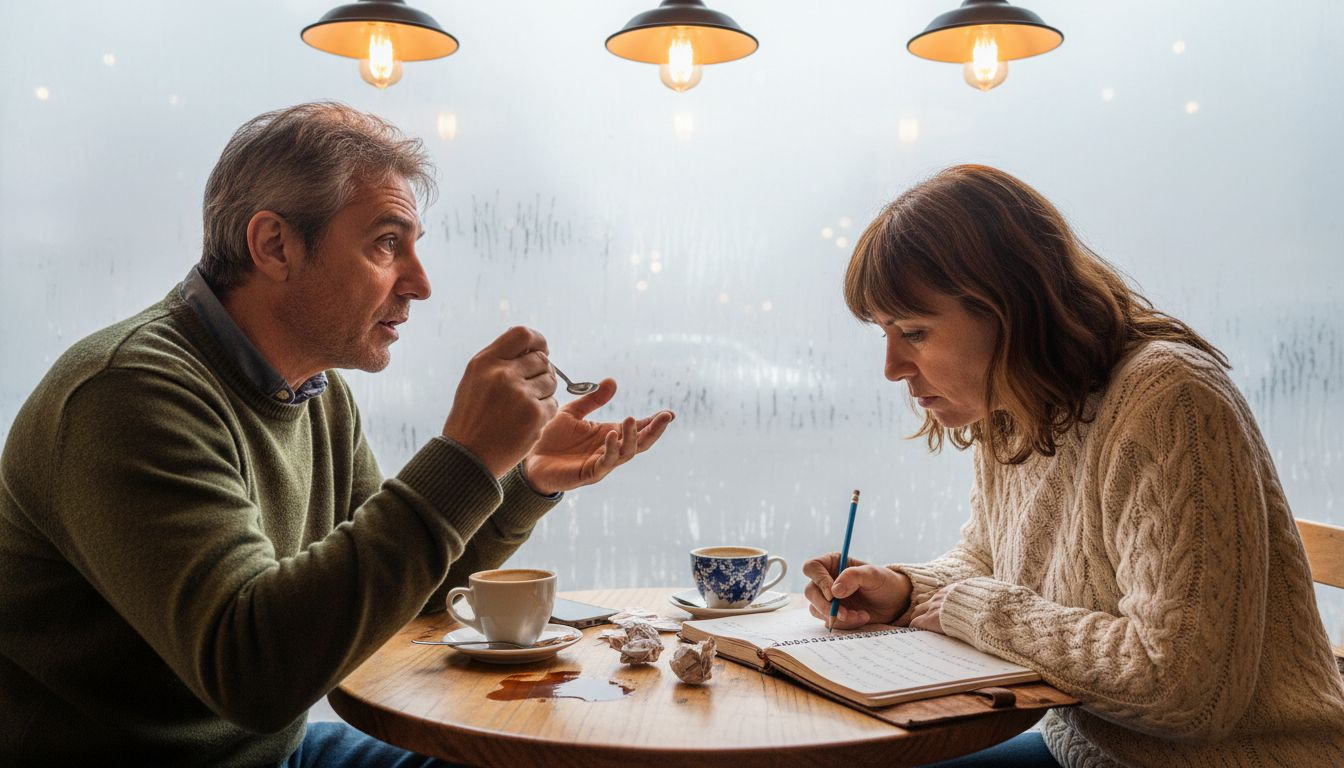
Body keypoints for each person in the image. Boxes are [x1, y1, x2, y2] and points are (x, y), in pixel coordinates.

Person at [0, 101, 674, 765]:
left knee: (540, 759)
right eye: (387, 242)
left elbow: (402, 600)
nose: (420, 283)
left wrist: (519, 482)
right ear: (274, 245)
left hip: (272, 755)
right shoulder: (130, 393)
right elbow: (256, 674)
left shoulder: (320, 396)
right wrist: (463, 460)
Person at [801, 165, 1344, 767]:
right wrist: (903, 592)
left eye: (914, 331)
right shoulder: (1012, 405)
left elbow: (1187, 689)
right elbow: (988, 560)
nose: (893, 367)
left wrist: (982, 613)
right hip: (1083, 752)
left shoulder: (1169, 401)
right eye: (884, 333)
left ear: (1008, 307)